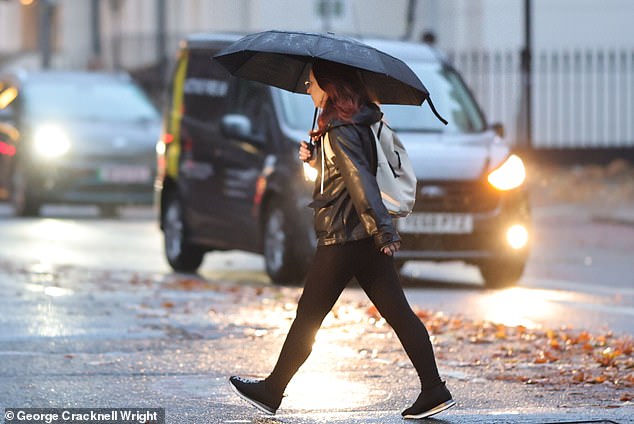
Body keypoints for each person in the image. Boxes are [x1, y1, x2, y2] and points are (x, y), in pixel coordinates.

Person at [229, 60, 455, 420]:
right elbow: (347, 173)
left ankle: (272, 390)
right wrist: (318, 157)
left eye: (312, 83)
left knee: (308, 318)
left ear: (331, 87)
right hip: (363, 238)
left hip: (344, 236)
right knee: (399, 313)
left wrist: (384, 229)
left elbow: (360, 181)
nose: (308, 89)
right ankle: (434, 389)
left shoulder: (340, 129)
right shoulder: (358, 123)